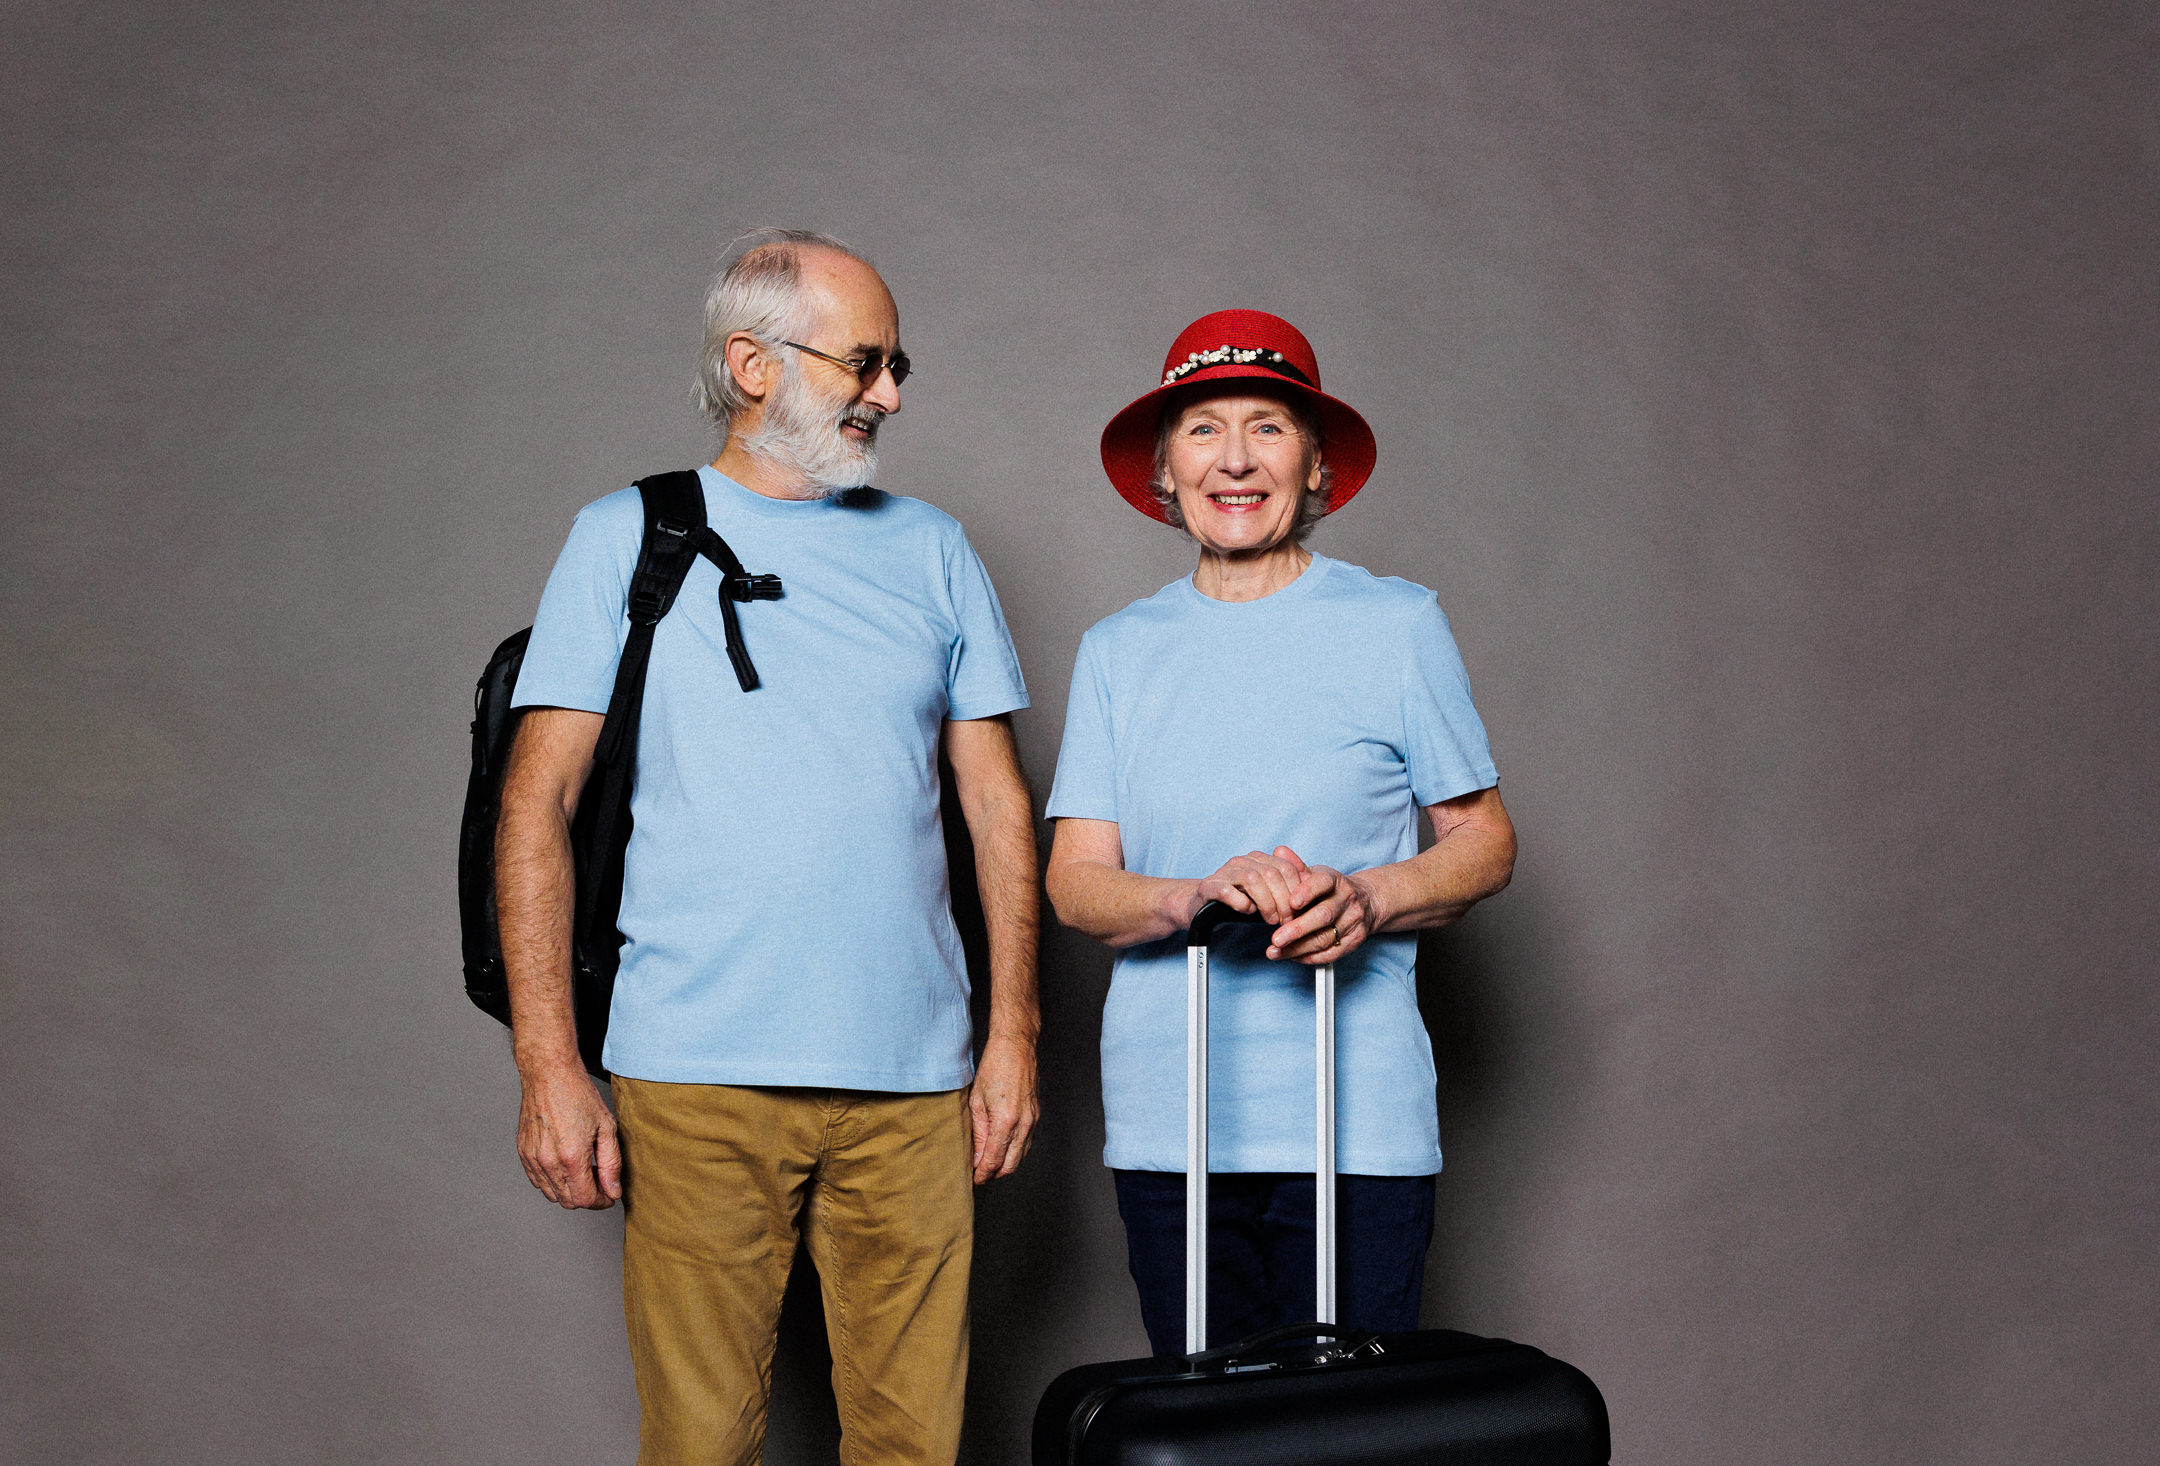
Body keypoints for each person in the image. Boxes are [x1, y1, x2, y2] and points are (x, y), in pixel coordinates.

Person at [496, 229, 1040, 1466]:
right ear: (752, 363)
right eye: (865, 362)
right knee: (702, 1445)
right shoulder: (626, 535)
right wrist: (548, 1065)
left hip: (915, 1086)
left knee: (916, 1449)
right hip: (692, 1077)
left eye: (898, 365)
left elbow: (998, 803)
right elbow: (538, 806)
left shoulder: (936, 548)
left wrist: (1012, 1036)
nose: (890, 394)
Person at [1043, 309, 1516, 1357]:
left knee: (1348, 1429)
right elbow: (1076, 881)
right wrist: (1190, 895)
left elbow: (1483, 841)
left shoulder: (1397, 624)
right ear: (1166, 470)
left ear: (1315, 466)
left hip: (1357, 1119)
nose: (1237, 458)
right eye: (1204, 429)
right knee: (1208, 1424)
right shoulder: (1120, 650)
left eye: (1268, 426)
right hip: (1176, 1114)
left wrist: (1369, 896)